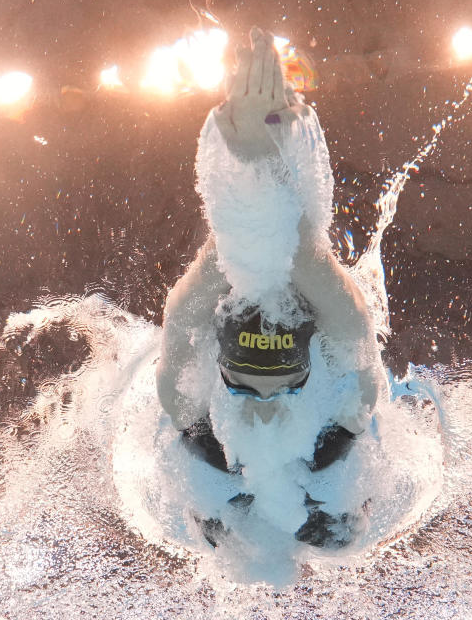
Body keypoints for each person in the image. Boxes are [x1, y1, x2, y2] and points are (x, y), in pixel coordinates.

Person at [156, 27, 387, 477]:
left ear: (311, 369)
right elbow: (298, 255)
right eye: (240, 387)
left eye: (285, 387)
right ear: (216, 365)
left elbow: (254, 251)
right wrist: (263, 158)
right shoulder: (346, 405)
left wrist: (250, 160)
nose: (265, 407)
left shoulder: (349, 392)